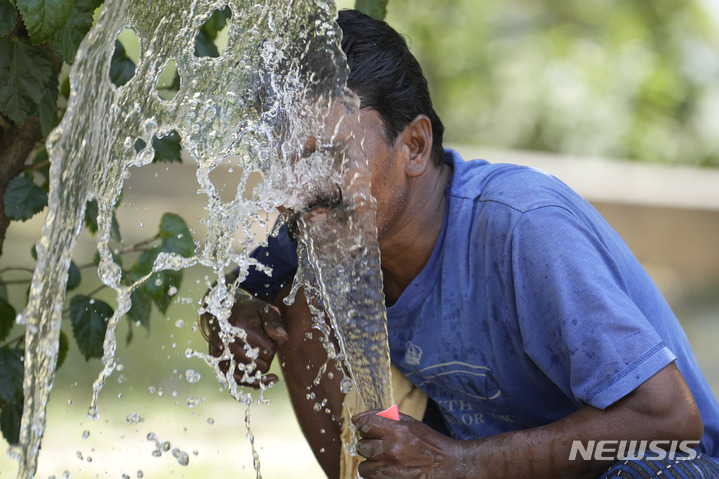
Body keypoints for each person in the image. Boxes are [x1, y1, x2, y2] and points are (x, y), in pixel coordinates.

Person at [202, 9, 719, 479]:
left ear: (416, 146)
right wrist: (236, 319)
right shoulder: (322, 218)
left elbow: (670, 423)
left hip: (653, 465)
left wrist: (462, 463)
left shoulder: (524, 226)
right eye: (289, 159)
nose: (299, 186)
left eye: (333, 157)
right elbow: (237, 293)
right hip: (472, 460)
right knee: (294, 303)